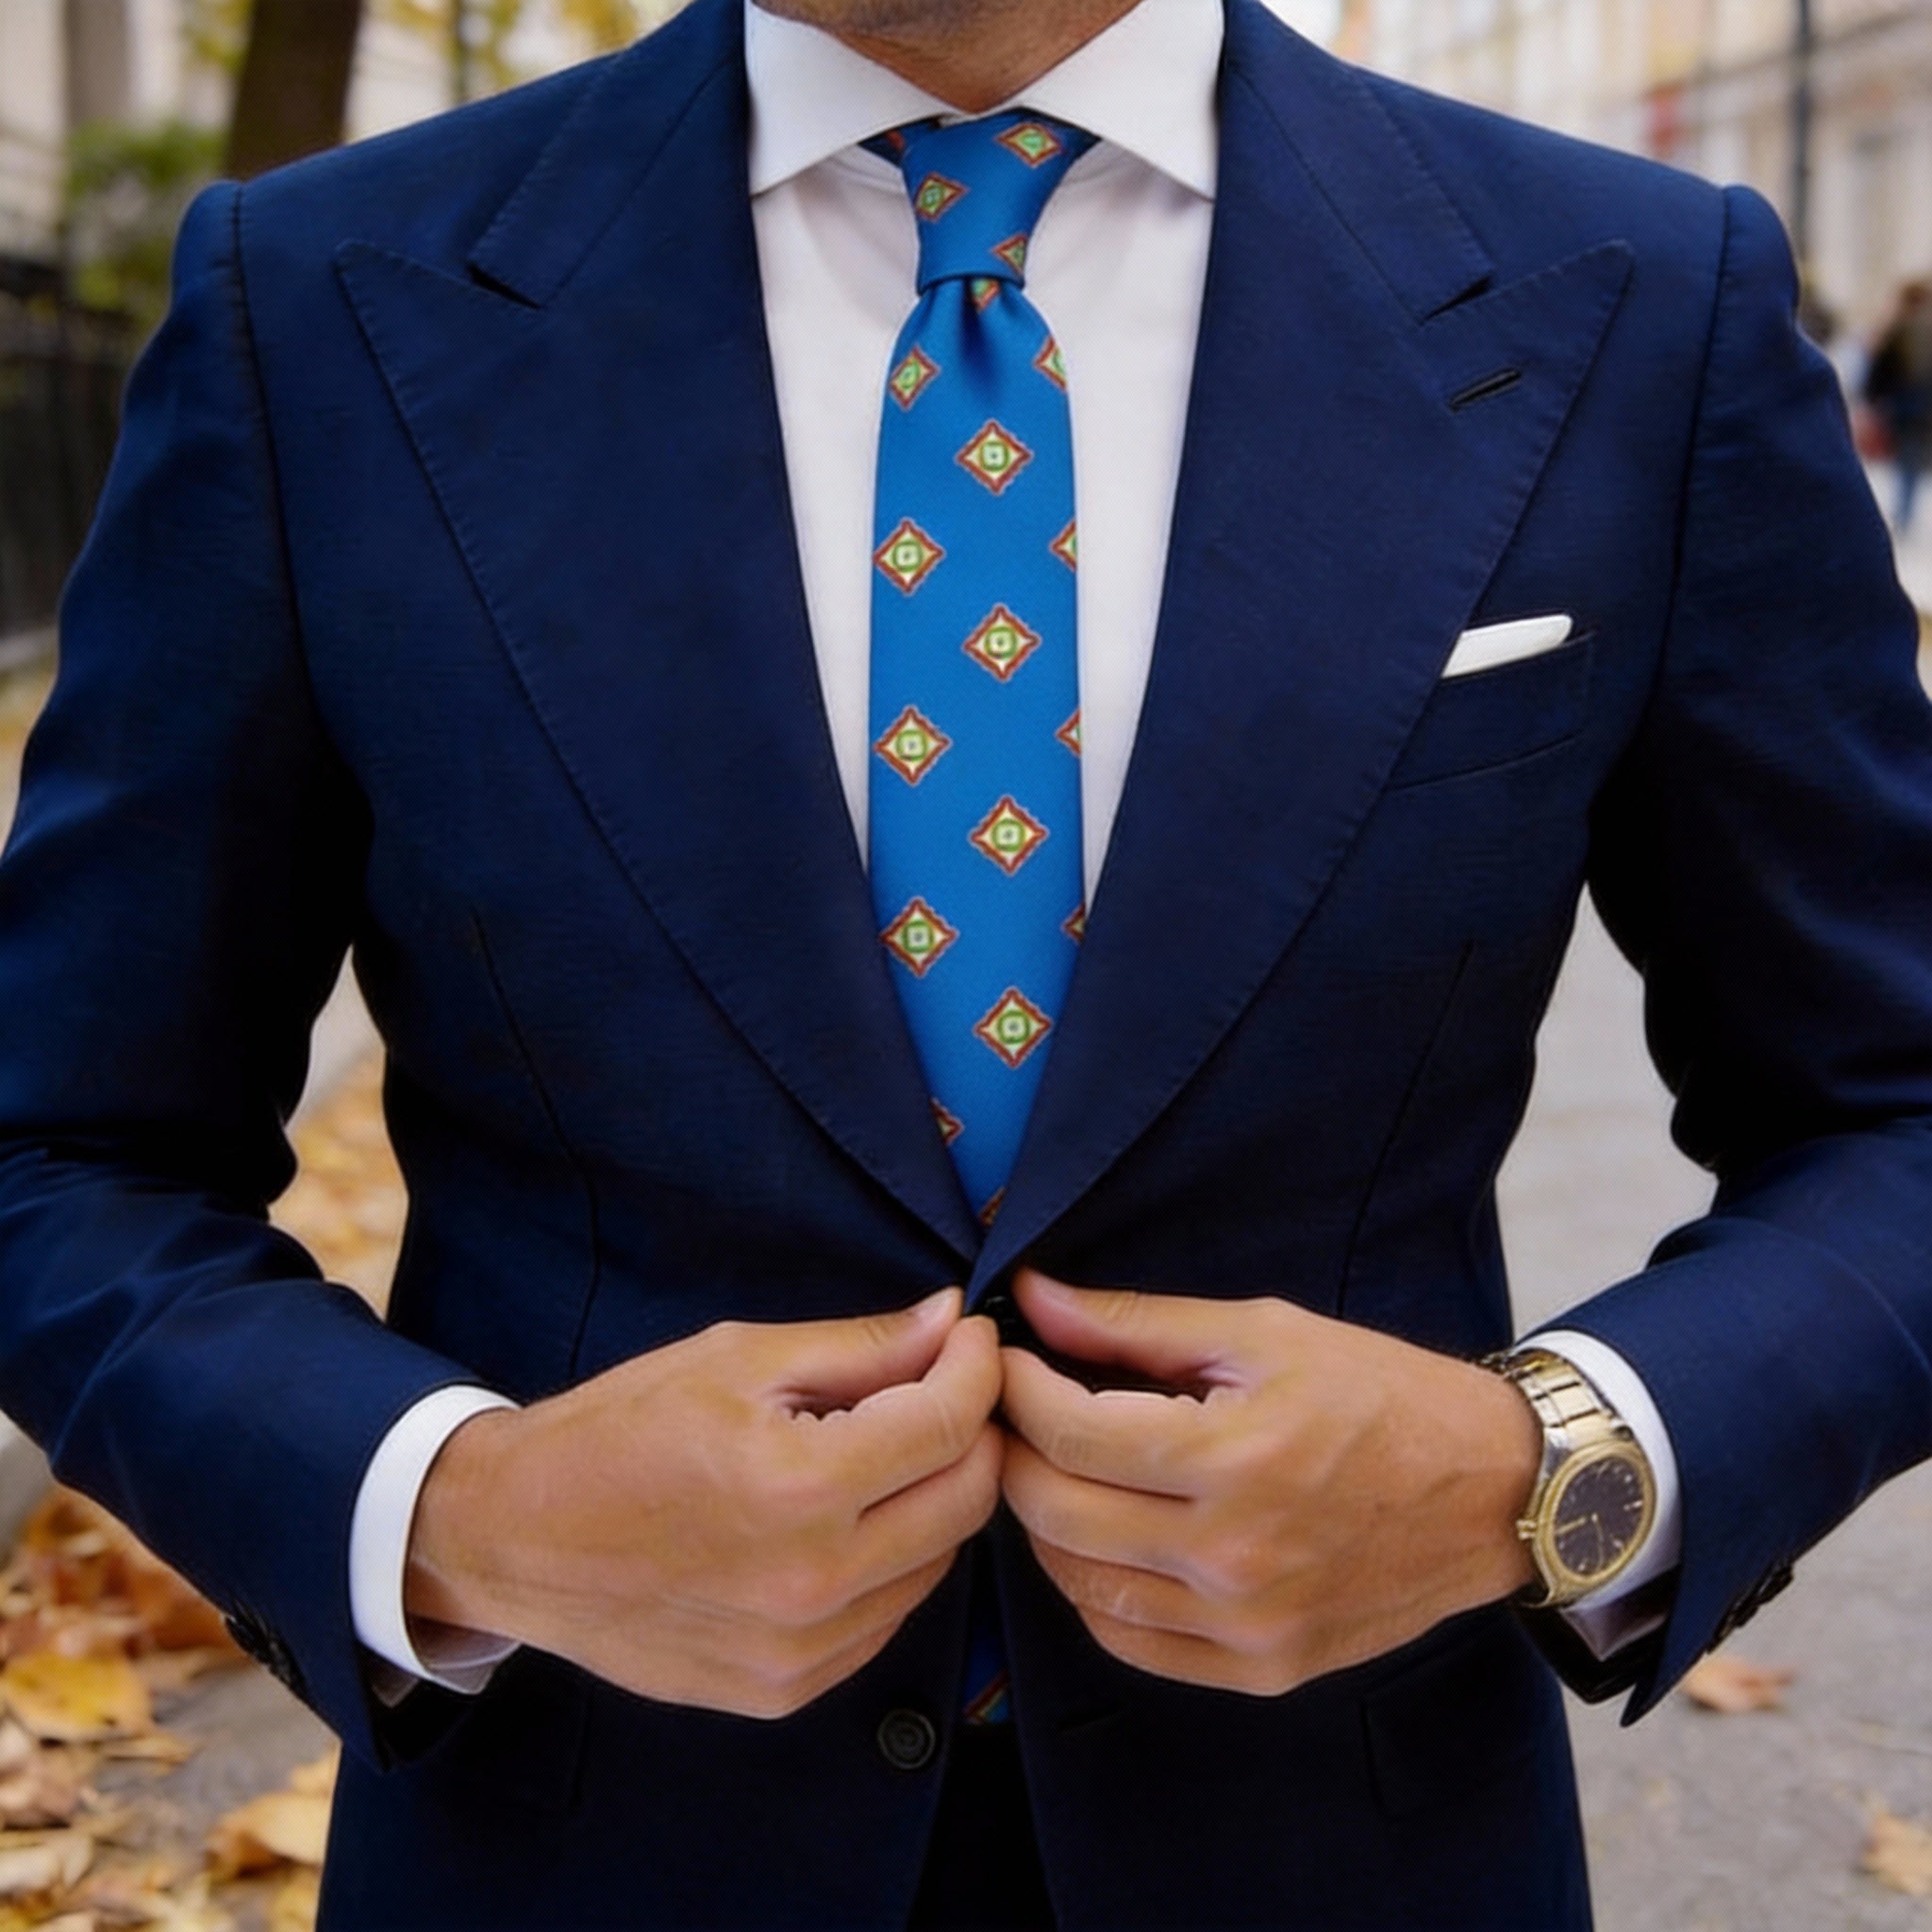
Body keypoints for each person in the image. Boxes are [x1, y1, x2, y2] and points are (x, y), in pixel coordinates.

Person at [0, 0, 1928, 1926]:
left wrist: (1542, 1467)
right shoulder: (322, 303)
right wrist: (458, 1515)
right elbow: (63, 1149)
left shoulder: (1634, 303)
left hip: (1350, 1839)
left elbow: (1892, 1112)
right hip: (579, 1835)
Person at [1865, 278, 1932, 530]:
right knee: (1912, 455)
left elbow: (1881, 367)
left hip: (1902, 402)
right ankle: (1906, 507)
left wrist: (1873, 396)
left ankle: (1904, 509)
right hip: (1922, 403)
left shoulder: (1898, 328)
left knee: (1905, 455)